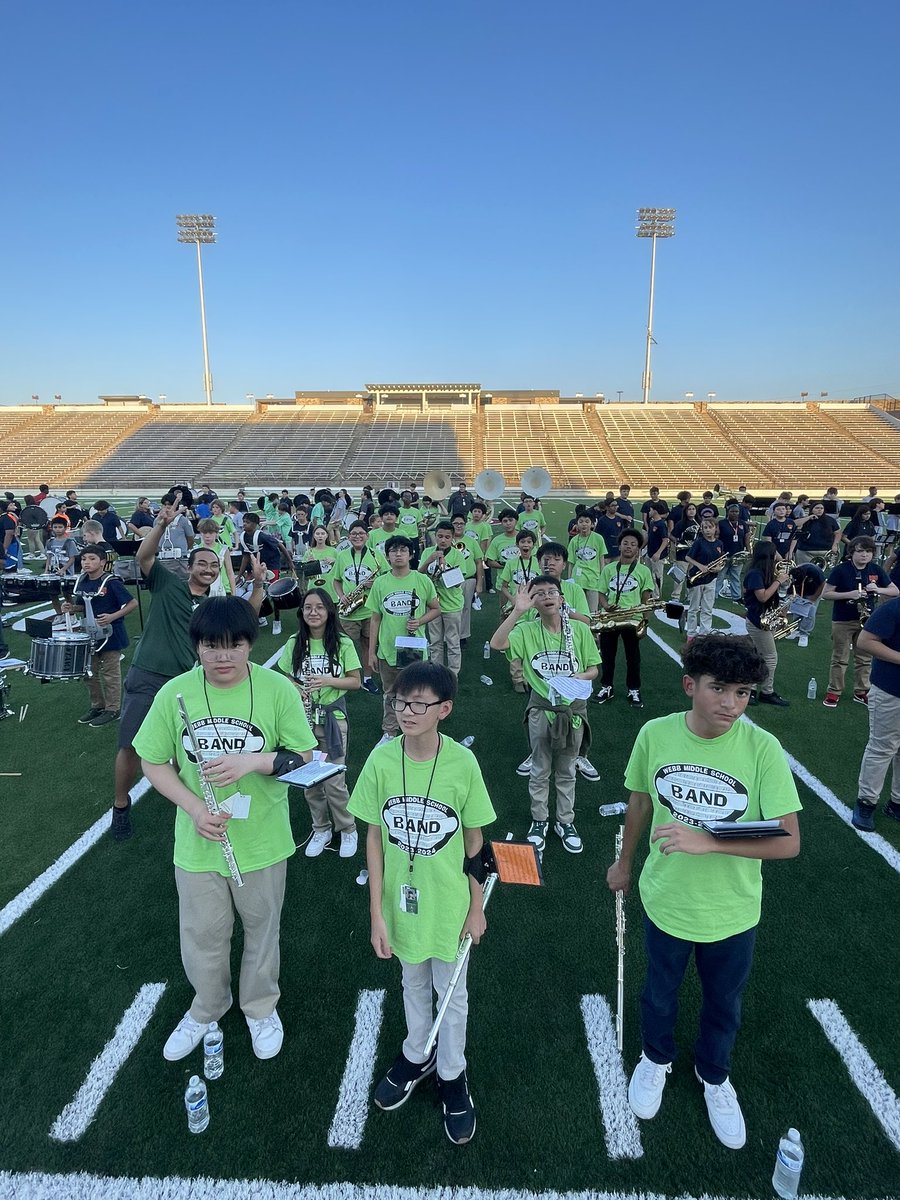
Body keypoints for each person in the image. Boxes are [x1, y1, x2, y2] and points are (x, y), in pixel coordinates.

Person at [607, 634, 801, 1150]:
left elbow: (788, 839)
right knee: (659, 992)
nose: (731, 705)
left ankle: (715, 1074)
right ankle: (655, 1058)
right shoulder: (655, 733)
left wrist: (710, 839)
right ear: (690, 684)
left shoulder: (762, 748)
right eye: (720, 689)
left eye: (742, 693)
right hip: (665, 898)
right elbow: (640, 803)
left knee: (723, 1003)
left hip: (733, 911)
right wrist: (624, 862)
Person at [134, 596, 317, 1063]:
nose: (223, 657)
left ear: (250, 644)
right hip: (199, 840)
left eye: (234, 645)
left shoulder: (277, 690)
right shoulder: (175, 692)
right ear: (196, 646)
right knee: (202, 933)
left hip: (261, 840)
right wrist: (194, 807)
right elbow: (152, 760)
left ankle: (259, 1007)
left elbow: (306, 757)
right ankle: (207, 1006)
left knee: (262, 928)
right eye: (211, 647)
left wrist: (254, 761)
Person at [349, 660, 495, 1144]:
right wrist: (376, 913)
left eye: (418, 704)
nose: (405, 711)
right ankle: (418, 1052)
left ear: (444, 710)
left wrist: (476, 908)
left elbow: (476, 844)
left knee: (452, 997)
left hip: (450, 904)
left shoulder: (462, 764)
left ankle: (453, 1073)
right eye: (399, 702)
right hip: (400, 903)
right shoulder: (381, 760)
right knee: (412, 981)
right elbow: (373, 837)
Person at [112, 502, 267, 842]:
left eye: (214, 565)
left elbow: (246, 619)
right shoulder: (168, 583)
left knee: (187, 748)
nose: (209, 569)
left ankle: (190, 803)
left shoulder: (215, 603)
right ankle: (120, 805)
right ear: (190, 565)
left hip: (189, 682)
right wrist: (161, 525)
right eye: (203, 563)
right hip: (150, 674)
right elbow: (144, 558)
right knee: (131, 746)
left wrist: (258, 586)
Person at [491, 576, 600, 854]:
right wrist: (517, 610)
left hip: (572, 711)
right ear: (533, 602)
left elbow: (593, 670)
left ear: (562, 598)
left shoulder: (579, 630)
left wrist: (577, 676)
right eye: (539, 594)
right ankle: (540, 820)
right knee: (540, 769)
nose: (547, 596)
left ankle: (565, 821)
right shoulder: (526, 630)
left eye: (552, 592)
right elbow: (497, 644)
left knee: (566, 769)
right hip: (541, 709)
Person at [277, 587, 361, 858]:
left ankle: (347, 828)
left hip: (333, 720)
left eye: (319, 607)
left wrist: (327, 681)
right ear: (301, 612)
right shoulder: (294, 642)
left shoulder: (342, 642)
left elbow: (356, 681)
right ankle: (321, 827)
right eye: (308, 607)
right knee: (309, 780)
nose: (313, 612)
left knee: (334, 780)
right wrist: (296, 689)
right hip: (302, 722)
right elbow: (285, 677)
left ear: (329, 612)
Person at [367, 535, 441, 744]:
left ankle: (418, 728)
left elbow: (436, 608)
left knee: (417, 692)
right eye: (393, 551)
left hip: (414, 650)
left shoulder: (422, 580)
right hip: (388, 650)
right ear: (387, 555)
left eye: (402, 550)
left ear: (411, 554)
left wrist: (419, 621)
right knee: (390, 692)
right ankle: (390, 731)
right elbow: (375, 619)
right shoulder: (381, 582)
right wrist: (372, 651)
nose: (398, 554)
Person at [62, 546, 137, 726]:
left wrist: (112, 616)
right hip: (89, 633)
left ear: (103, 562)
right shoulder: (82, 580)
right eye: (84, 559)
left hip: (111, 634)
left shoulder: (111, 582)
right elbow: (82, 605)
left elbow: (132, 603)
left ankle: (113, 708)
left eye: (92, 559)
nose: (87, 562)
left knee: (110, 673)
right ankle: (97, 705)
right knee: (90, 672)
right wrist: (72, 608)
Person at [821, 537, 897, 709]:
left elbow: (895, 590)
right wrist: (850, 594)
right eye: (860, 551)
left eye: (868, 552)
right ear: (852, 552)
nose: (864, 555)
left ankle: (861, 691)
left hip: (868, 620)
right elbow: (826, 594)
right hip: (843, 619)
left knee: (864, 658)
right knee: (840, 657)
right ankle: (834, 691)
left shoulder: (876, 569)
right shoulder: (841, 570)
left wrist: (878, 589)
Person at [592, 529, 655, 709]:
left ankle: (633, 689)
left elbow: (646, 597)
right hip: (610, 619)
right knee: (607, 655)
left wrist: (645, 621)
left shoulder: (643, 570)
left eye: (633, 544)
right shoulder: (609, 568)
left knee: (633, 657)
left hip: (632, 619)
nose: (629, 547)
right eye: (625, 543)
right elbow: (601, 593)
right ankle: (606, 686)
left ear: (638, 549)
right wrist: (605, 606)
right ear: (619, 546)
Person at [854, 597, 900, 830]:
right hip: (891, 690)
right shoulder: (894, 607)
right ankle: (866, 802)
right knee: (882, 748)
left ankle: (897, 802)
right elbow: (865, 640)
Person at [332, 520, 383, 693]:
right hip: (349, 611)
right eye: (354, 533)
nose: (357, 536)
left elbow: (388, 577)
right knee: (344, 646)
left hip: (369, 610)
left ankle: (367, 679)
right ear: (349, 536)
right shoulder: (342, 556)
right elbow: (336, 580)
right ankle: (343, 678)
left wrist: (374, 583)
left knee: (368, 645)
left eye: (361, 533)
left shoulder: (377, 555)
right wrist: (341, 596)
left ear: (367, 536)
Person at [741, 543, 791, 707]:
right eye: (775, 552)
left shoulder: (764, 571)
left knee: (758, 655)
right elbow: (762, 597)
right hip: (758, 620)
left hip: (762, 618)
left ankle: (751, 690)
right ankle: (766, 691)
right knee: (770, 656)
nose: (778, 555)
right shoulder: (756, 574)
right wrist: (778, 581)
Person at [419, 522, 467, 675]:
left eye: (447, 537)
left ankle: (453, 673)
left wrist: (444, 567)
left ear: (452, 538)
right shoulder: (428, 551)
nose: (443, 540)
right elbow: (419, 575)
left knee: (453, 642)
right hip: (433, 605)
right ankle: (437, 672)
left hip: (452, 605)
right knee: (435, 641)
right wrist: (429, 560)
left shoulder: (458, 555)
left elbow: (457, 583)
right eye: (440, 536)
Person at [684, 518, 725, 639]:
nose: (707, 530)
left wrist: (718, 568)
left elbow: (721, 560)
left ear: (715, 528)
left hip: (711, 578)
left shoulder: (719, 543)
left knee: (707, 608)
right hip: (697, 579)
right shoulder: (699, 542)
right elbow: (688, 557)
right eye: (705, 528)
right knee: (694, 608)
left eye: (710, 527)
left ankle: (704, 633)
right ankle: (691, 633)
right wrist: (700, 566)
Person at [450, 513, 484, 646]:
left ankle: (462, 636)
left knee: (465, 609)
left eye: (461, 524)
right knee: (450, 610)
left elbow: (478, 562)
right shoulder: (447, 540)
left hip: (467, 580)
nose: (458, 526)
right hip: (449, 582)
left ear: (465, 525)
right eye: (455, 523)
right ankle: (450, 635)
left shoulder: (471, 541)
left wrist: (479, 584)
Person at [566, 511, 608, 612]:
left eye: (587, 521)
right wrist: (570, 581)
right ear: (577, 524)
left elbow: (601, 560)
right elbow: (571, 563)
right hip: (578, 580)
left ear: (592, 524)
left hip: (594, 580)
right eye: (581, 521)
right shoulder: (574, 541)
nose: (584, 524)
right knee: (578, 610)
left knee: (592, 611)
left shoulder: (598, 539)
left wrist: (602, 579)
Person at [716, 504, 750, 602]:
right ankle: (714, 595)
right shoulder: (721, 523)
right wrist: (719, 552)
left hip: (738, 555)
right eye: (732, 511)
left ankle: (737, 597)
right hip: (724, 554)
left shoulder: (743, 524)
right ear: (728, 512)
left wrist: (748, 551)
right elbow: (717, 538)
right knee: (720, 576)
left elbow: (746, 538)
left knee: (735, 576)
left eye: (736, 512)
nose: (734, 514)